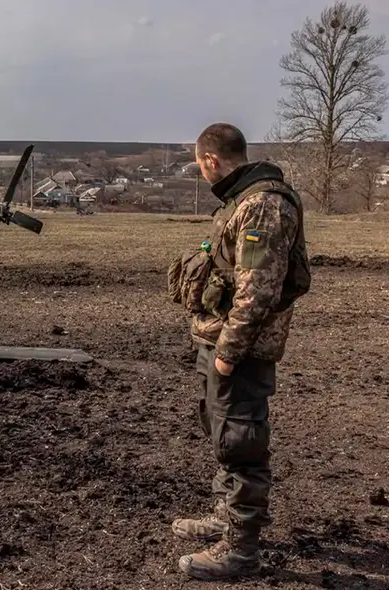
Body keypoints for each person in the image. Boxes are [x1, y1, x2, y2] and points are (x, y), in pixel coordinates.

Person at [168, 122, 311, 581]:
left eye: (199, 164)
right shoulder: (241, 199)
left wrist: (229, 352)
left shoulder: (263, 205)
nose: (201, 172)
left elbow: (257, 293)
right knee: (221, 431)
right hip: (219, 338)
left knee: (241, 441)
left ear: (210, 160)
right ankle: (225, 515)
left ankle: (241, 549)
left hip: (241, 349)